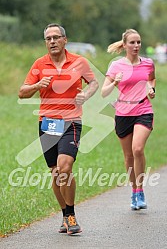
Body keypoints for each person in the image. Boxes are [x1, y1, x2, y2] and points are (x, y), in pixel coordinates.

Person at [18, 23, 99, 234]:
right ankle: (65, 215)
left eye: (56, 37)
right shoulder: (39, 64)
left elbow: (93, 83)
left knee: (65, 167)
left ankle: (71, 216)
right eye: (48, 39)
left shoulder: (79, 62)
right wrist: (37, 86)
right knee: (56, 173)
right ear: (46, 42)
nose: (52, 41)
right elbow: (22, 92)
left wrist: (86, 95)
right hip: (47, 123)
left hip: (71, 121)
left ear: (65, 40)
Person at [101, 29, 156, 210]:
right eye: (132, 43)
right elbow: (104, 92)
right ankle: (133, 191)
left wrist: (151, 89)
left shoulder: (148, 63)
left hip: (143, 109)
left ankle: (140, 191)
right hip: (123, 112)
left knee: (138, 148)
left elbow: (151, 79)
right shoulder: (116, 66)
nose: (136, 46)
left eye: (138, 42)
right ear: (124, 45)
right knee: (128, 156)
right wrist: (115, 83)